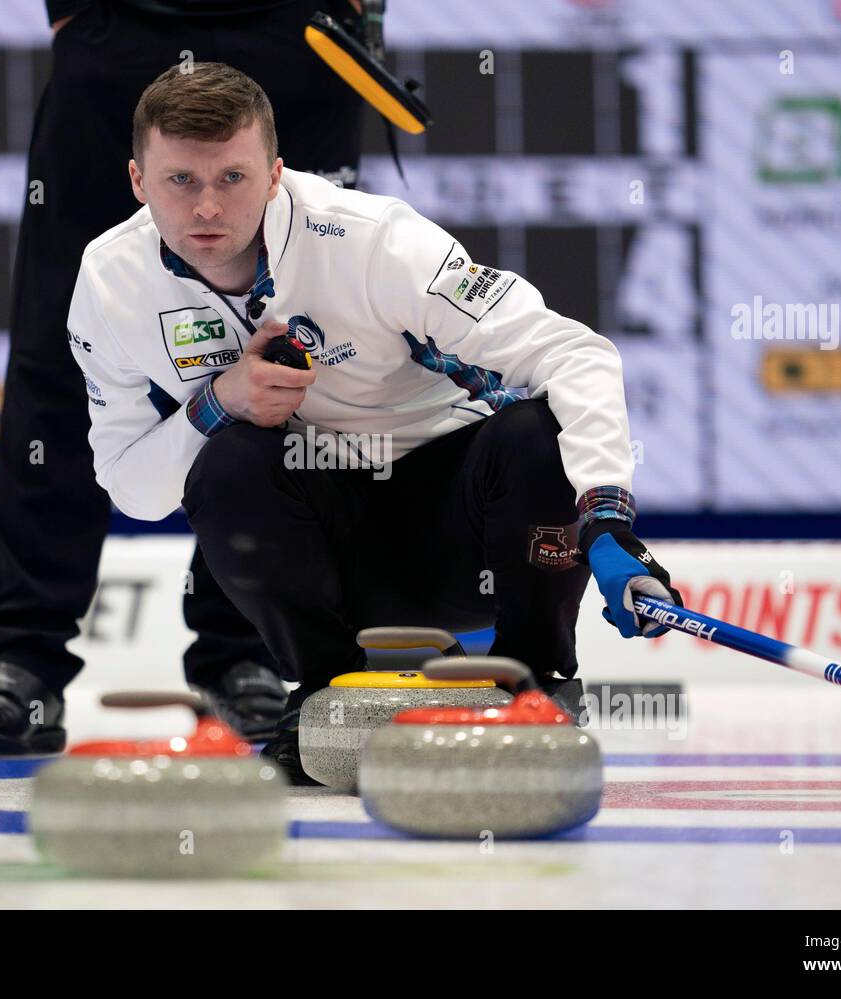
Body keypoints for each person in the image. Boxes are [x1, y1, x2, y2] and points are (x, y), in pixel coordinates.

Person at [66, 61, 684, 783]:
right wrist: (218, 401)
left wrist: (608, 520)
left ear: (274, 176)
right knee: (230, 459)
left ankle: (531, 681)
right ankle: (328, 691)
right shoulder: (110, 279)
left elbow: (574, 353)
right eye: (181, 181)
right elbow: (133, 488)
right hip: (325, 546)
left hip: (463, 526)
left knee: (532, 434)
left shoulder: (376, 241)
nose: (207, 208)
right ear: (138, 181)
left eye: (232, 178)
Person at [0, 0, 367, 756]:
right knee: (57, 353)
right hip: (118, 26)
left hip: (297, 33)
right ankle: (24, 655)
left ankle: (248, 651)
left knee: (290, 349)